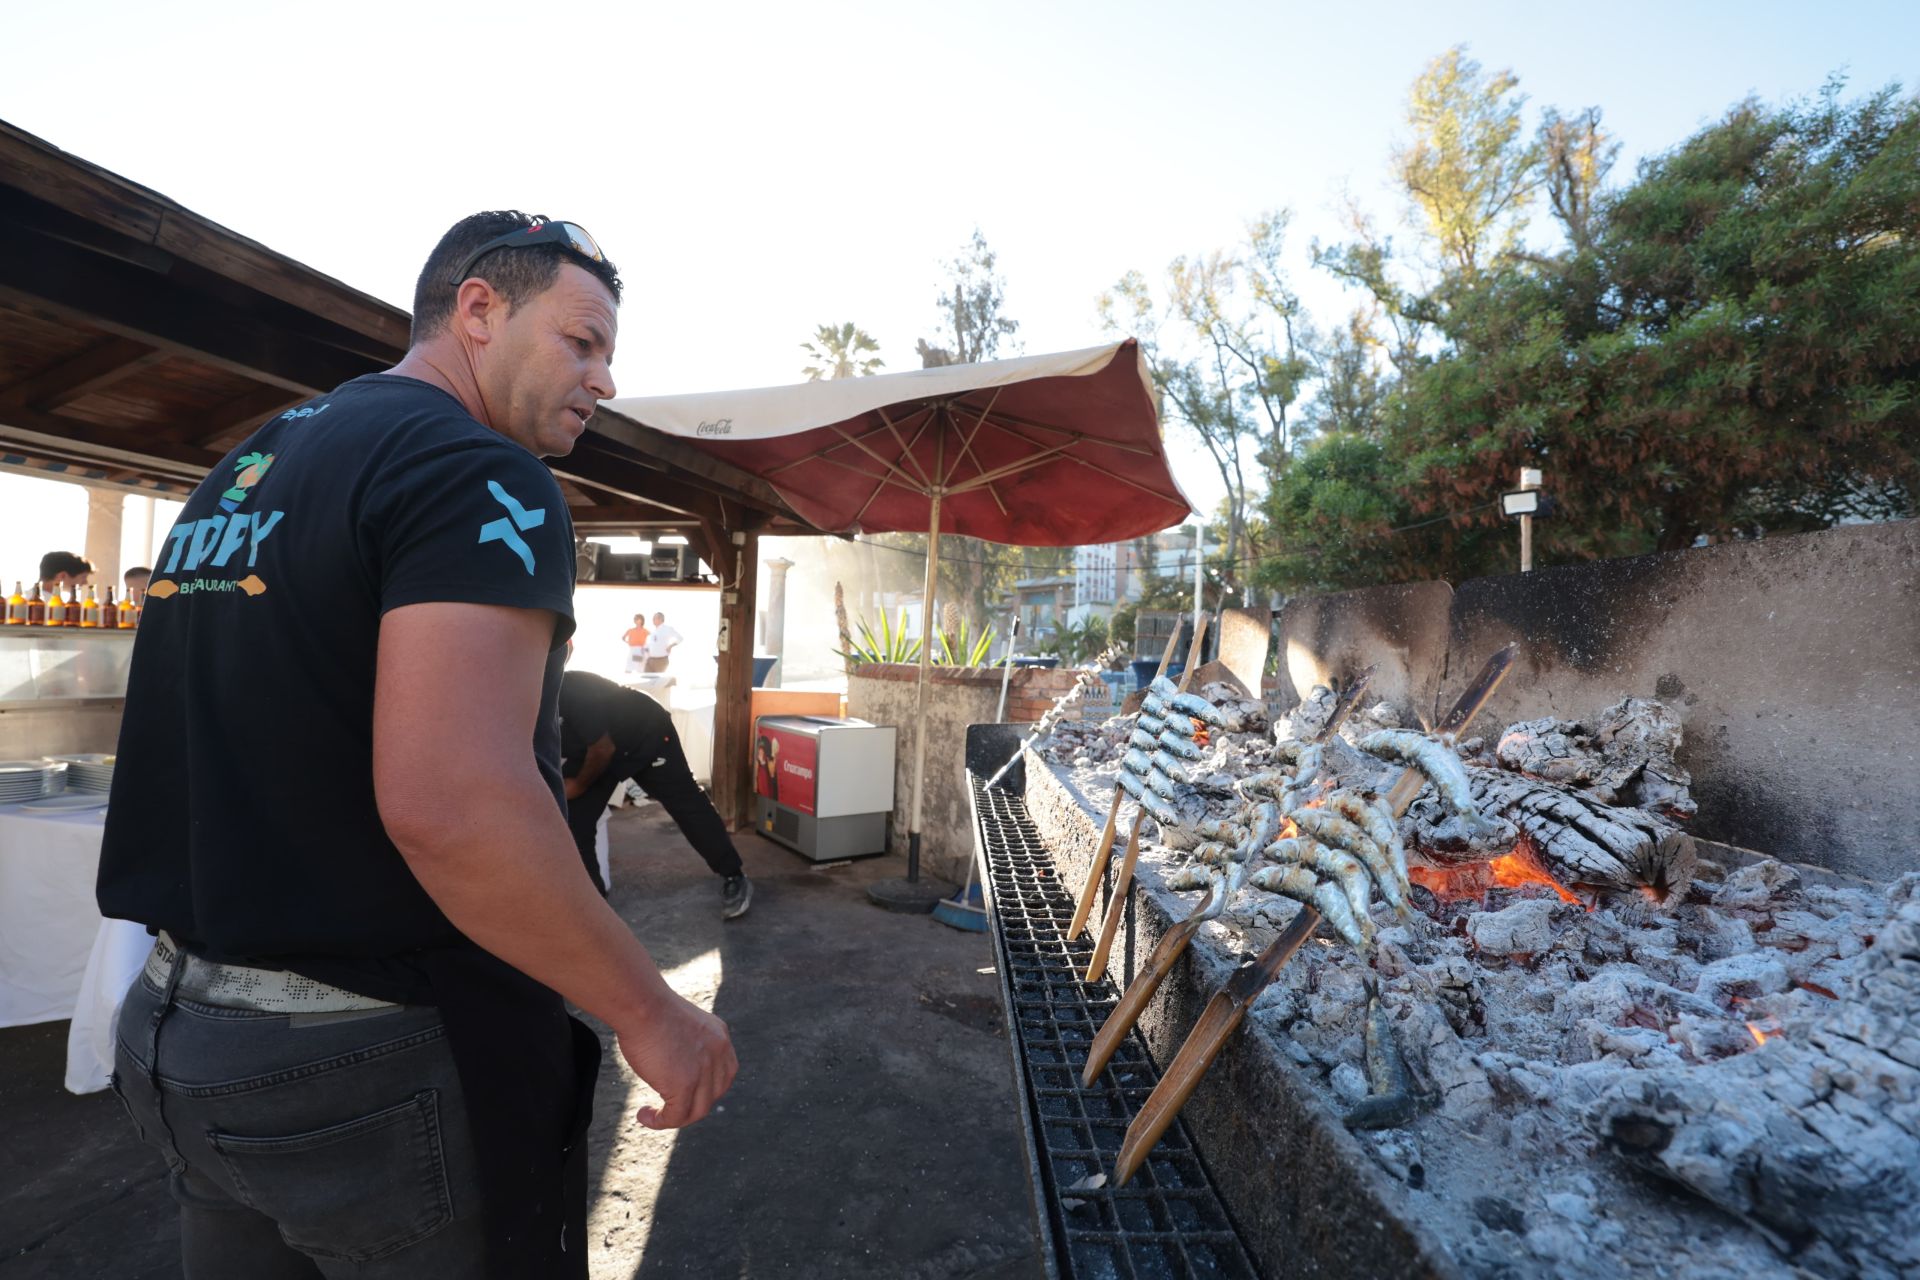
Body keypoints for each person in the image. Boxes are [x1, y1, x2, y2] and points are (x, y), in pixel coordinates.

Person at [96, 211, 735, 1278]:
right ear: (478, 309)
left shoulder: (253, 460)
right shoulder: (479, 471)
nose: (604, 378)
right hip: (360, 1068)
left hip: (178, 1033)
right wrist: (652, 1009)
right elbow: (456, 804)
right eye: (582, 341)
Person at [559, 668, 751, 918]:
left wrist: (579, 784)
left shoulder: (569, 689)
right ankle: (594, 910)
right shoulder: (520, 705)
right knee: (574, 821)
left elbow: (603, 749)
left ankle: (733, 874)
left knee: (687, 805)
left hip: (645, 733)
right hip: (597, 750)